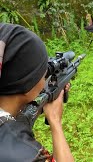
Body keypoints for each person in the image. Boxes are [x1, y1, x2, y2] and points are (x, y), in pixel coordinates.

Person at [0, 23, 74, 161]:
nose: (45, 77)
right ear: (27, 86)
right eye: (43, 72)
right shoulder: (27, 154)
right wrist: (55, 120)